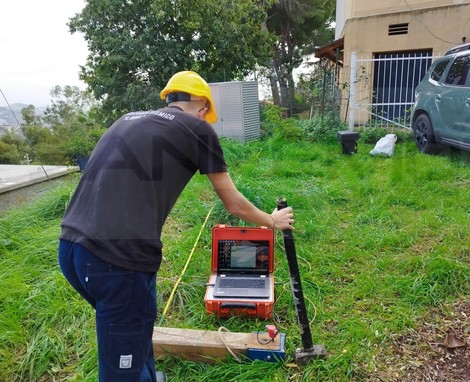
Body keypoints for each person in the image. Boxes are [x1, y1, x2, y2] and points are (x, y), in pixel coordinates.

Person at [58, 71, 294, 382]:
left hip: (71, 249)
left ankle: (147, 376)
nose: (205, 118)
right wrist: (272, 221)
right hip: (117, 261)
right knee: (120, 367)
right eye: (205, 112)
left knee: (136, 326)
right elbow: (233, 203)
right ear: (200, 104)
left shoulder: (126, 119)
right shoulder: (197, 128)